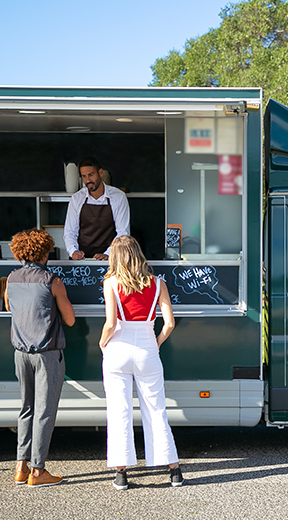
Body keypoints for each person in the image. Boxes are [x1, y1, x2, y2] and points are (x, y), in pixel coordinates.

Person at [99, 235, 183, 490]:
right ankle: (174, 471)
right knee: (156, 409)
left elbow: (111, 323)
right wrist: (156, 342)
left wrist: (103, 343)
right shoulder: (158, 284)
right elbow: (169, 323)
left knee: (119, 411)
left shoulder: (111, 283)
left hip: (118, 349)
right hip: (147, 347)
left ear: (115, 257)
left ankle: (121, 474)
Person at [4, 228, 75, 488]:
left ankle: (20, 468)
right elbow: (70, 319)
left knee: (26, 408)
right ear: (44, 253)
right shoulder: (52, 281)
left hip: (20, 353)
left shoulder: (11, 279)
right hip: (46, 354)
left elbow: (10, 307)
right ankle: (38, 471)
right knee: (44, 411)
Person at [63, 156, 130, 261]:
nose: (88, 180)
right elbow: (70, 232)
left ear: (100, 173)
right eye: (84, 176)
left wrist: (108, 253)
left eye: (91, 175)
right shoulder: (76, 199)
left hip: (110, 259)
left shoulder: (118, 197)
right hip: (83, 260)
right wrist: (74, 251)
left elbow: (123, 233)